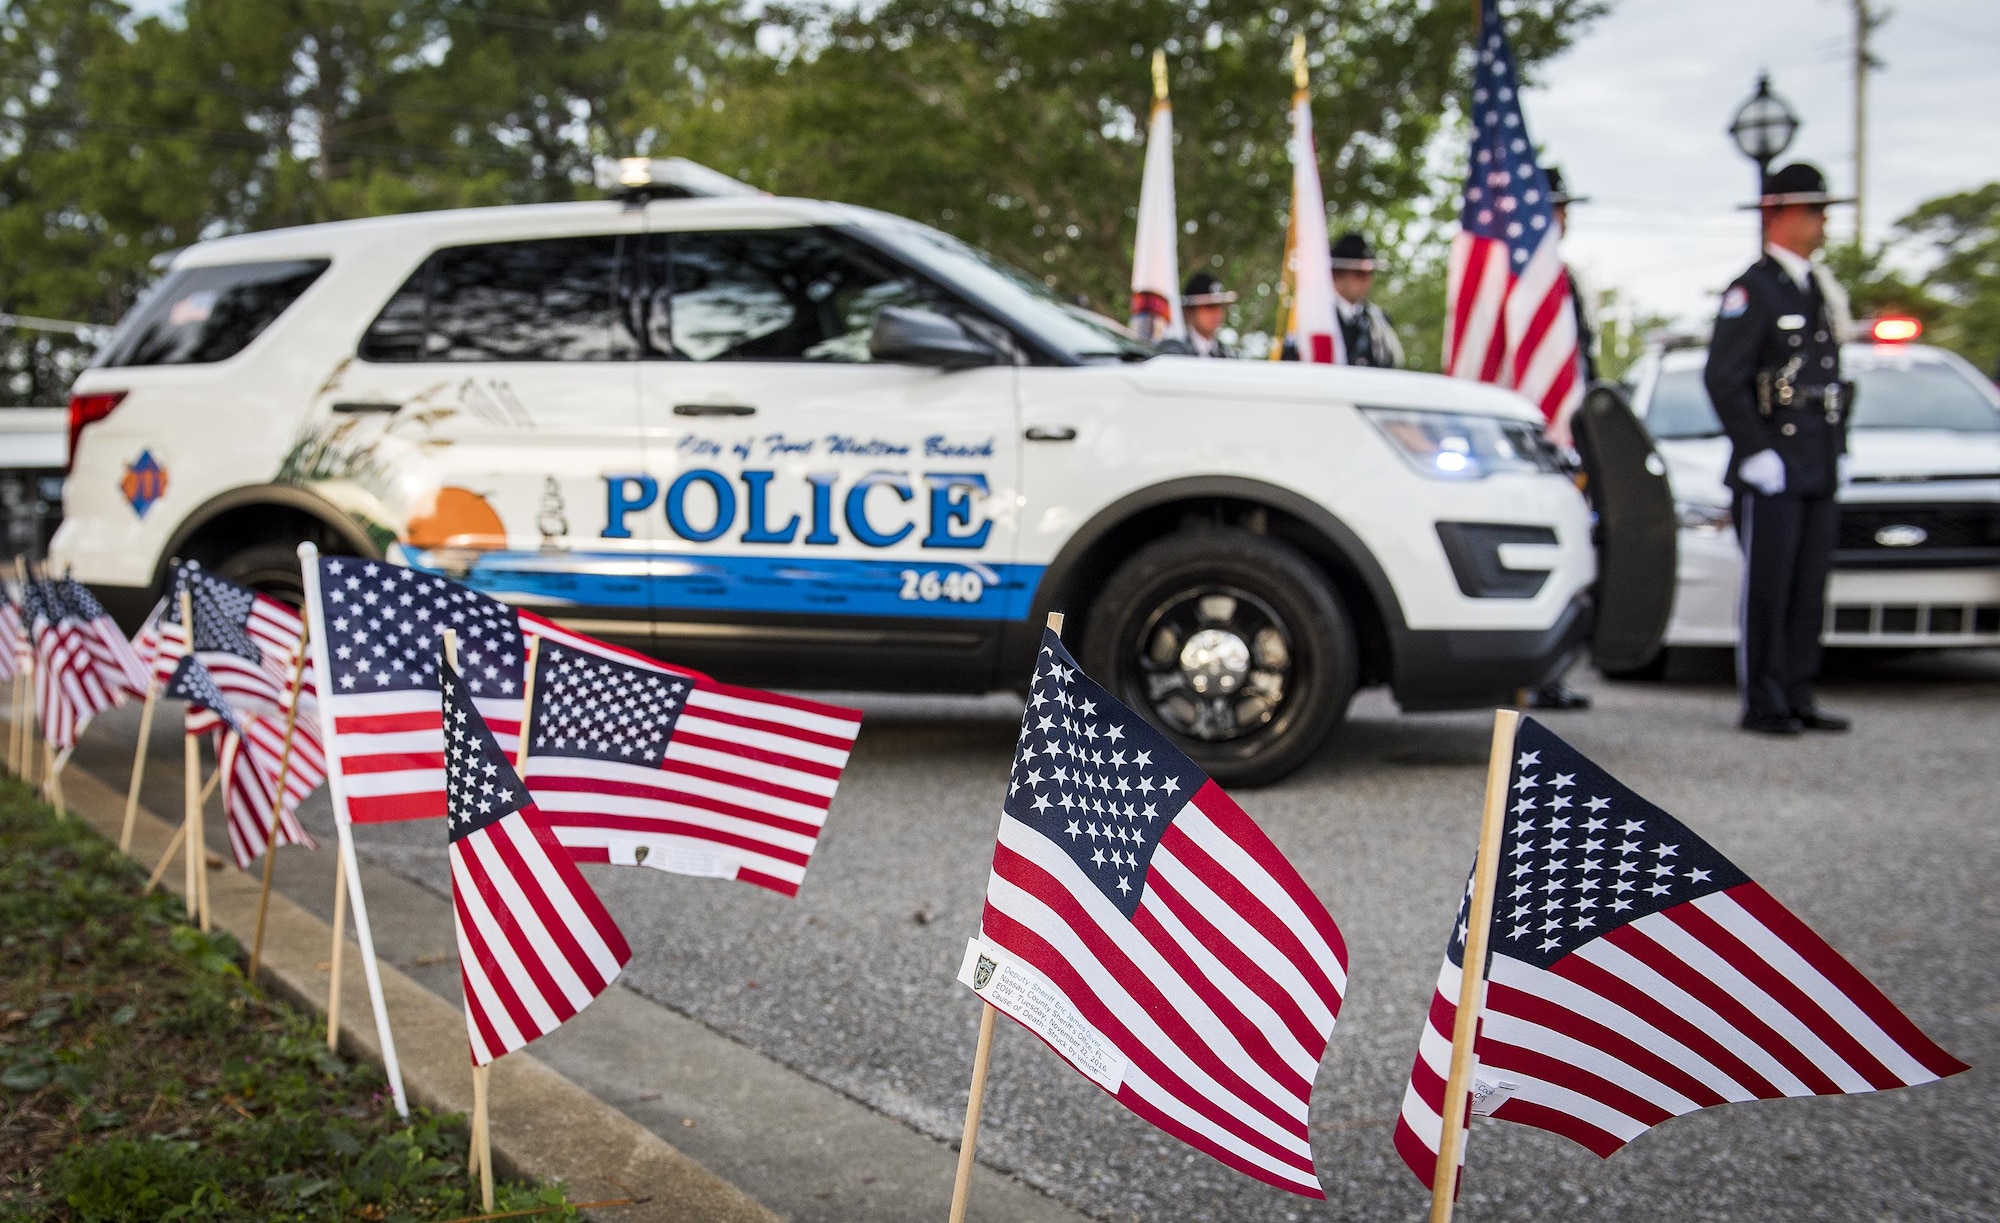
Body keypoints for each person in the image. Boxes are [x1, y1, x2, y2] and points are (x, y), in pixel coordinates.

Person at [1703, 162, 1855, 736]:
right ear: (1779, 214)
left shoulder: (1816, 287)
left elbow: (1832, 378)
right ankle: (1762, 698)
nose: (1821, 223)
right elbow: (1724, 378)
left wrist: (1839, 446)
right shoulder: (1754, 288)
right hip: (1774, 455)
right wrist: (1753, 450)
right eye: (1813, 211)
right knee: (1769, 585)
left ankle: (1797, 691)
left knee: (1807, 582)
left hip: (1816, 454)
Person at [1523, 168, 1596, 711]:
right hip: (1528, 443)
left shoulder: (1569, 282)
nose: (1562, 219)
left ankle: (1552, 671)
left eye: (1564, 208)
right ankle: (1525, 671)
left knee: (1570, 554)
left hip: (1567, 436)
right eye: (1552, 208)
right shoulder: (1517, 278)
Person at [1328, 233, 1403, 369]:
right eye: (1359, 274)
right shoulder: (1318, 317)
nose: (1366, 281)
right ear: (1337, 274)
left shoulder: (1378, 320)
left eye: (1369, 274)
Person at [1180, 272, 1238, 358]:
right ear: (1191, 310)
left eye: (1219, 306)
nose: (1217, 313)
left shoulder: (1228, 355)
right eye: (1209, 306)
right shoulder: (1174, 352)